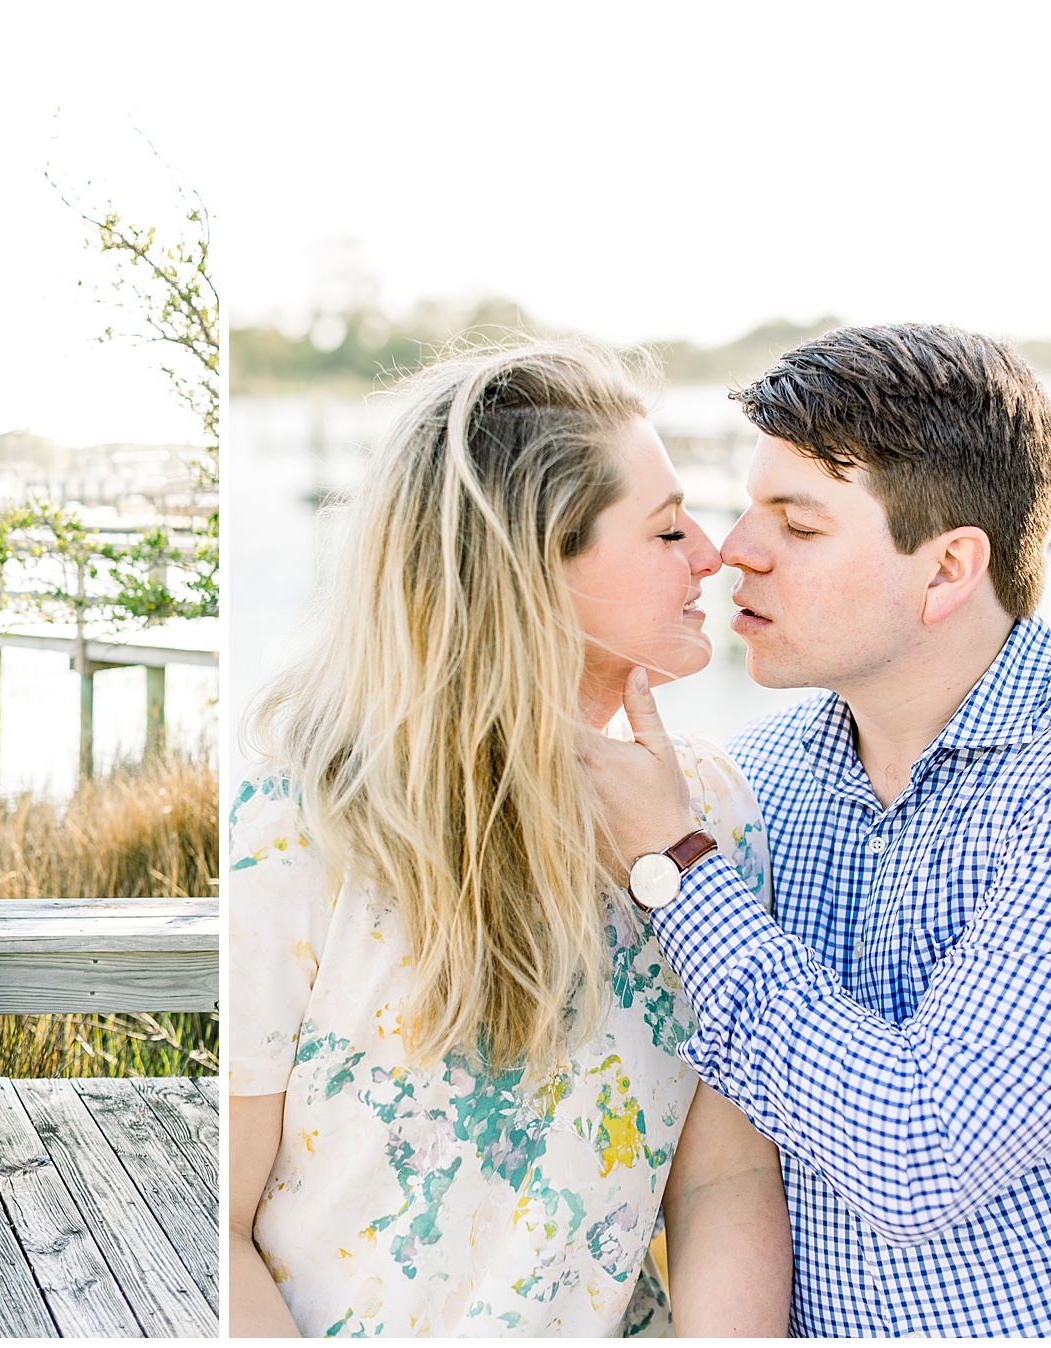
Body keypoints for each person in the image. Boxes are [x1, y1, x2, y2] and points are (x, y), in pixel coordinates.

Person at [230, 341, 792, 1337]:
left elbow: (725, 1180)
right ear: (534, 566)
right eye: (666, 532)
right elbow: (218, 1224)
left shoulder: (707, 814)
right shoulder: (303, 816)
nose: (712, 553)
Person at [586, 323, 1051, 1337]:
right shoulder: (764, 775)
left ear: (950, 568)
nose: (733, 548)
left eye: (800, 523)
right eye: (747, 507)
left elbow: (921, 1150)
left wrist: (677, 867)